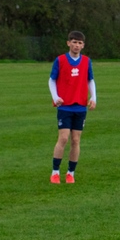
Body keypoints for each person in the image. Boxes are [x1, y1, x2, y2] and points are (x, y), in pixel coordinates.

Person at [49, 31, 96, 184]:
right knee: (63, 138)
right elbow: (51, 80)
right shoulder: (60, 60)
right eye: (74, 42)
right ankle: (55, 172)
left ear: (83, 45)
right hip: (65, 106)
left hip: (80, 106)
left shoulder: (87, 61)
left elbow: (90, 80)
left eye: (80, 43)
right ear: (68, 43)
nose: (77, 45)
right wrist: (56, 97)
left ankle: (70, 173)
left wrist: (93, 97)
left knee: (76, 140)